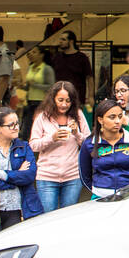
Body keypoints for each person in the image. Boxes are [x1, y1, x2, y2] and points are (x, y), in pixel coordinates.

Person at [0, 106, 42, 245]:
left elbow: (29, 176)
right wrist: (15, 180)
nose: (16, 128)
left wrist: (1, 174)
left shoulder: (24, 147)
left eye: (17, 123)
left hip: (17, 210)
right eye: (11, 125)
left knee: (14, 254)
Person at [79, 98, 129, 199]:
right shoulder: (89, 143)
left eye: (120, 116)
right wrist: (99, 191)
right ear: (100, 120)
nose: (117, 121)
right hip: (100, 200)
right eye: (112, 117)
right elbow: (84, 177)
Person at [29, 81, 90, 211]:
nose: (64, 104)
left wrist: (77, 133)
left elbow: (89, 144)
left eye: (68, 101)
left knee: (67, 217)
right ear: (53, 99)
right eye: (60, 100)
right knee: (47, 218)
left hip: (72, 176)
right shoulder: (42, 117)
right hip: (47, 176)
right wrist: (52, 138)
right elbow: (33, 145)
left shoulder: (78, 115)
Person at [51, 31, 94, 110]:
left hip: (77, 99)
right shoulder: (56, 58)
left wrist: (91, 96)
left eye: (63, 40)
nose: (60, 42)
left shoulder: (81, 58)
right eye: (60, 39)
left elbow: (89, 77)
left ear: (71, 41)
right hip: (59, 98)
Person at [20, 46, 54, 140]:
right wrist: (22, 85)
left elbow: (51, 87)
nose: (31, 54)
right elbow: (28, 86)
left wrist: (35, 85)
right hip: (30, 102)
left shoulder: (47, 69)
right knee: (27, 128)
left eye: (34, 52)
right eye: (30, 52)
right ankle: (27, 149)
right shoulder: (30, 67)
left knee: (40, 128)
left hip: (42, 103)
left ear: (41, 55)